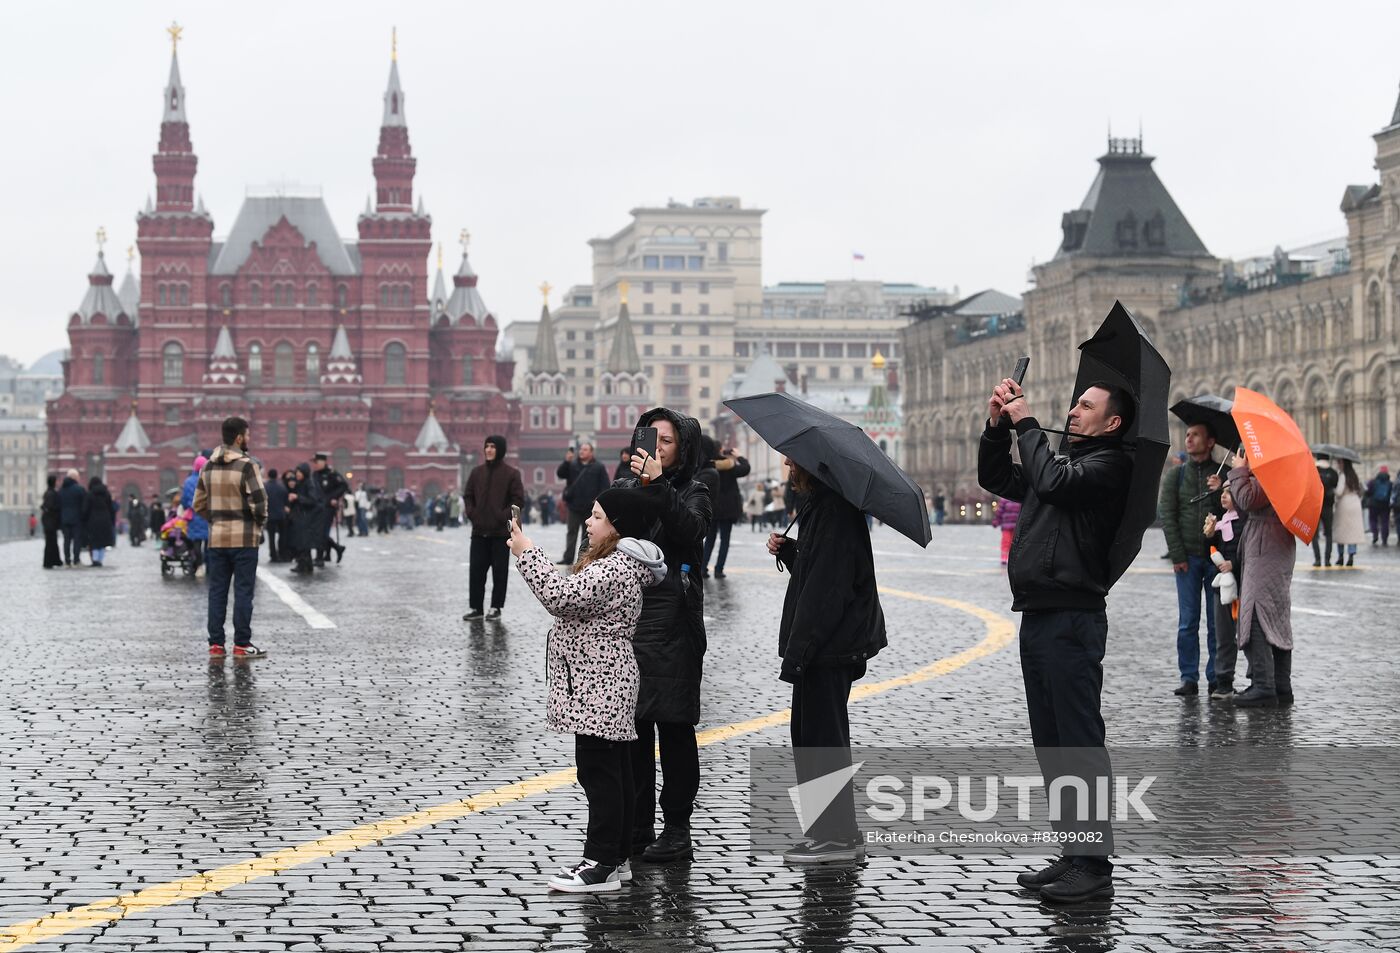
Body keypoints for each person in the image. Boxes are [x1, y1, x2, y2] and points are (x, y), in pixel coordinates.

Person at [978, 376, 1133, 904]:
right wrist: (998, 427)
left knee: (1079, 743)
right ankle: (1073, 853)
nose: (1072, 411)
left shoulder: (1110, 466)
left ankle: (1093, 865)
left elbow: (1052, 484)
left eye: (1086, 406)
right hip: (1040, 615)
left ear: (1112, 423)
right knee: (1052, 743)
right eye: (1074, 403)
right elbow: (997, 476)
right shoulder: (1062, 463)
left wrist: (1026, 423)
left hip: (1074, 617)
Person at [510, 486, 667, 892]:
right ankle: (615, 860)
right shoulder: (618, 566)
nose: (588, 522)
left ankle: (599, 863)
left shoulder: (612, 568)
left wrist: (527, 551)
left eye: (597, 516)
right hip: (602, 679)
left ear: (616, 527)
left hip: (598, 682)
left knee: (600, 775)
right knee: (614, 772)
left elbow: (561, 597)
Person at [766, 457, 885, 864]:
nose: (786, 463)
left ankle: (837, 837)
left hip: (829, 649)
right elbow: (818, 569)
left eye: (791, 459)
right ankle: (829, 833)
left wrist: (799, 654)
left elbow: (827, 590)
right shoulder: (821, 504)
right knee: (812, 739)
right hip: (826, 647)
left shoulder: (833, 510)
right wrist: (793, 550)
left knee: (822, 742)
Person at [614, 408, 713, 864]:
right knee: (632, 731)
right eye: (652, 437)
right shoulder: (625, 486)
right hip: (629, 622)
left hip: (674, 623)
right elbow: (600, 541)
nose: (657, 447)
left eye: (667, 441)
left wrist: (658, 487)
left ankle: (677, 830)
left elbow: (691, 534)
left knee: (674, 730)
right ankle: (636, 827)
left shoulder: (696, 489)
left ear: (684, 448)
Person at [194, 416, 269, 660]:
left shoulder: (208, 466)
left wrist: (216, 520)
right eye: (247, 435)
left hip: (217, 539)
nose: (249, 439)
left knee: (217, 592)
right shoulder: (248, 466)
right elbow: (259, 502)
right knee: (243, 591)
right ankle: (241, 644)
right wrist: (257, 522)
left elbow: (199, 504)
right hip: (244, 539)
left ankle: (216, 645)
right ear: (239, 438)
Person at [1158, 423, 1223, 697]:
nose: (1188, 439)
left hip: (1215, 559)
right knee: (1188, 622)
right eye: (1187, 435)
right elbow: (1168, 515)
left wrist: (1221, 491)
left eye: (1195, 435)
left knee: (1216, 623)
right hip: (1187, 559)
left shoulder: (1223, 474)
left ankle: (1216, 676)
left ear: (1210, 442)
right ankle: (1189, 677)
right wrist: (1177, 554)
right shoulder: (1176, 475)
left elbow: (1232, 513)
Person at [1228, 451, 1297, 707]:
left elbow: (1247, 499)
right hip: (1272, 542)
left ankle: (1264, 686)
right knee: (1275, 616)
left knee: (1256, 613)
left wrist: (1238, 470)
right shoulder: (1278, 470)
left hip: (1266, 545)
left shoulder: (1272, 471)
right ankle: (1281, 686)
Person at [462, 435, 525, 621]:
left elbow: (519, 500)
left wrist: (502, 515)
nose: (488, 450)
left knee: (499, 572)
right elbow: (468, 496)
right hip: (479, 531)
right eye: (486, 446)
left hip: (499, 533)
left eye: (493, 446)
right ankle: (476, 608)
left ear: (500, 449)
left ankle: (496, 607)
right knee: (476, 571)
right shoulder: (476, 472)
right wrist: (473, 514)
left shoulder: (511, 474)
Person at [1202, 484, 1244, 700]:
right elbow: (1211, 549)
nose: (1223, 496)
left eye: (1228, 492)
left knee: (1245, 634)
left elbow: (1244, 551)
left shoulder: (1244, 521)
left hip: (1241, 584)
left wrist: (1233, 564)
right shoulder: (1222, 520)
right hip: (1223, 585)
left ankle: (1259, 680)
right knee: (1223, 634)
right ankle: (1224, 681)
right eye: (1223, 492)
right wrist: (1209, 535)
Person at [702, 439, 751, 579]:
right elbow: (746, 469)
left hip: (712, 508)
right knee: (725, 540)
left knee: (709, 539)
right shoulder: (729, 465)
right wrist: (739, 456)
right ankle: (719, 569)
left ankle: (703, 568)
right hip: (728, 509)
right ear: (720, 450)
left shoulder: (707, 466)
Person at [558, 443, 610, 565]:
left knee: (587, 534)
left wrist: (598, 500)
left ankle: (583, 558)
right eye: (581, 449)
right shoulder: (572, 465)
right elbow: (560, 474)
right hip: (574, 506)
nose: (582, 451)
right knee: (571, 532)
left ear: (591, 452)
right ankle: (568, 558)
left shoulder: (599, 467)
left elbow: (605, 485)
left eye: (585, 449)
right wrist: (567, 461)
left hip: (590, 508)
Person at [286, 463, 326, 575]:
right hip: (302, 516)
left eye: (299, 472)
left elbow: (312, 500)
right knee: (302, 542)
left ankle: (304, 565)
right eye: (296, 472)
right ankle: (305, 565)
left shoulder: (309, 484)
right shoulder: (302, 483)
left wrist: (297, 497)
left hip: (307, 517)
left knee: (303, 542)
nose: (297, 474)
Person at [311, 453, 348, 566]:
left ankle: (320, 557)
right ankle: (336, 548)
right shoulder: (315, 475)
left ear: (323, 462)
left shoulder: (331, 474)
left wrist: (333, 497)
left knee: (321, 532)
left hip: (327, 507)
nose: (315, 465)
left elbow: (343, 485)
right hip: (317, 506)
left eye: (316, 462)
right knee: (318, 532)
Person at [181, 455, 210, 574]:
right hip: (208, 515)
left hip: (194, 515)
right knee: (209, 543)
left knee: (196, 542)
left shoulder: (188, 481)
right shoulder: (209, 479)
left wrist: (187, 506)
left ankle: (199, 566)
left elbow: (184, 500)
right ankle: (210, 566)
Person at [1333, 458, 1365, 568]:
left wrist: (1333, 490)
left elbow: (1339, 492)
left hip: (1345, 504)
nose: (1337, 464)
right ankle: (1351, 556)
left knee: (1341, 530)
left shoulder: (1342, 475)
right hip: (1355, 503)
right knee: (1353, 531)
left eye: (1339, 462)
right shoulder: (1354, 475)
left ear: (1343, 463)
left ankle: (1341, 556)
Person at [81, 476, 117, 567]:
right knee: (103, 542)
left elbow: (86, 509)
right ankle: (100, 559)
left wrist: (84, 520)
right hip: (105, 520)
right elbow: (111, 509)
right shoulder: (107, 494)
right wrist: (112, 521)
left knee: (94, 541)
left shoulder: (89, 494)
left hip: (93, 521)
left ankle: (95, 560)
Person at [1312, 455, 1340, 567]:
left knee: (1315, 535)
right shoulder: (1333, 472)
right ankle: (1327, 560)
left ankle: (1317, 559)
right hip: (1328, 506)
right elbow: (1335, 486)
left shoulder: (1314, 470)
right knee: (1329, 534)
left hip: (1315, 506)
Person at [58, 468, 86, 567]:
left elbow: (58, 505)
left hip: (64, 519)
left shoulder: (61, 490)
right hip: (77, 519)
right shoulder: (79, 489)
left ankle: (67, 561)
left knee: (67, 541)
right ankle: (76, 560)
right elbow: (84, 505)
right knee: (77, 540)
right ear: (75, 478)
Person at [263, 469, 288, 563]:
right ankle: (281, 553)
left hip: (270, 516)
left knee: (271, 537)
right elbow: (286, 500)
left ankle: (273, 555)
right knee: (282, 536)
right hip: (281, 515)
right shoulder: (282, 487)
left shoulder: (265, 487)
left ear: (268, 475)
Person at [1365, 466, 1392, 545]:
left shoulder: (1372, 482)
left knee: (1373, 520)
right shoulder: (1390, 483)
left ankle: (1375, 535)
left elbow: (1368, 492)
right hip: (1385, 505)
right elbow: (1391, 494)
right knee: (1385, 522)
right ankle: (1384, 539)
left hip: (1374, 504)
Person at [991, 497, 1021, 566]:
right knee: (1006, 541)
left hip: (1016, 526)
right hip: (1006, 525)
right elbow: (999, 512)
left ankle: (1013, 558)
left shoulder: (1020, 498)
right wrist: (996, 521)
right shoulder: (1004, 500)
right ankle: (1004, 558)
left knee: (1015, 542)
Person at [41, 475, 61, 569]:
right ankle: (50, 562)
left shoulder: (48, 492)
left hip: (48, 521)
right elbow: (50, 507)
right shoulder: (52, 493)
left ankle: (53, 560)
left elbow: (44, 506)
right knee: (51, 541)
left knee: (51, 541)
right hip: (51, 521)